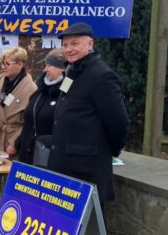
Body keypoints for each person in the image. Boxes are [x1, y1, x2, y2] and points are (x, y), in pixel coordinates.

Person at [49, 22, 129, 204]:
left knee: (91, 228)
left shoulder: (102, 76)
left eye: (74, 44)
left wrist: (110, 151)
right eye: (66, 45)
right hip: (64, 165)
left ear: (90, 44)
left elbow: (119, 122)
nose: (68, 49)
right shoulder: (72, 72)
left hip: (86, 168)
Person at [13, 48, 67, 165]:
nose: (45, 69)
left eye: (50, 66)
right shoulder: (39, 92)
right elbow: (29, 123)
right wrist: (18, 143)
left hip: (49, 159)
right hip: (27, 157)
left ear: (63, 69)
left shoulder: (67, 95)